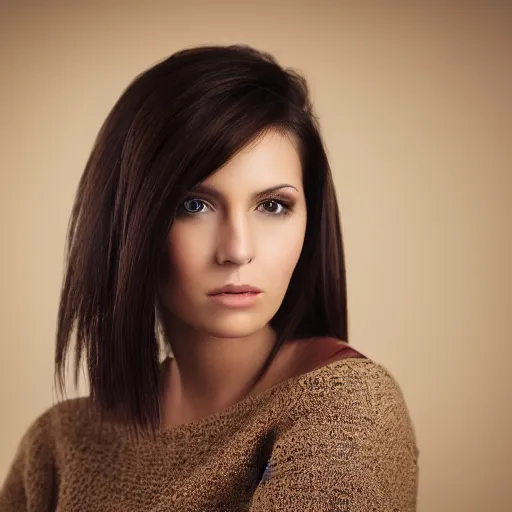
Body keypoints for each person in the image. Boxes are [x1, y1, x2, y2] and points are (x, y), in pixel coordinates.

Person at [0, 44, 419, 511]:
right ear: (127, 223)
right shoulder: (58, 446)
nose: (238, 249)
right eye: (193, 205)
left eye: (273, 206)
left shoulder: (344, 409)